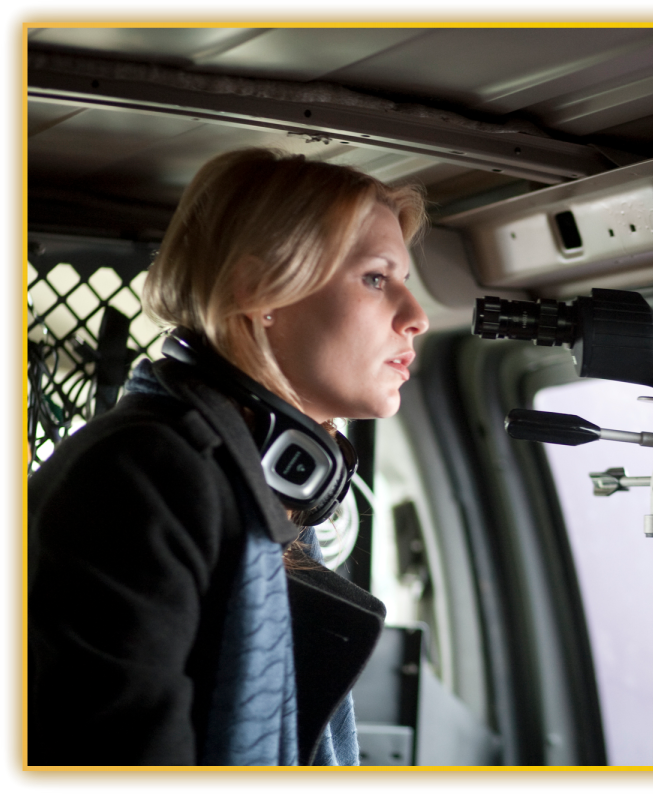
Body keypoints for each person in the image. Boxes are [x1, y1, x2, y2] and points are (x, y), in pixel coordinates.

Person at [27, 147, 430, 766]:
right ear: (258, 290)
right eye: (376, 278)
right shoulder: (139, 478)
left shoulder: (246, 489)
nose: (417, 317)